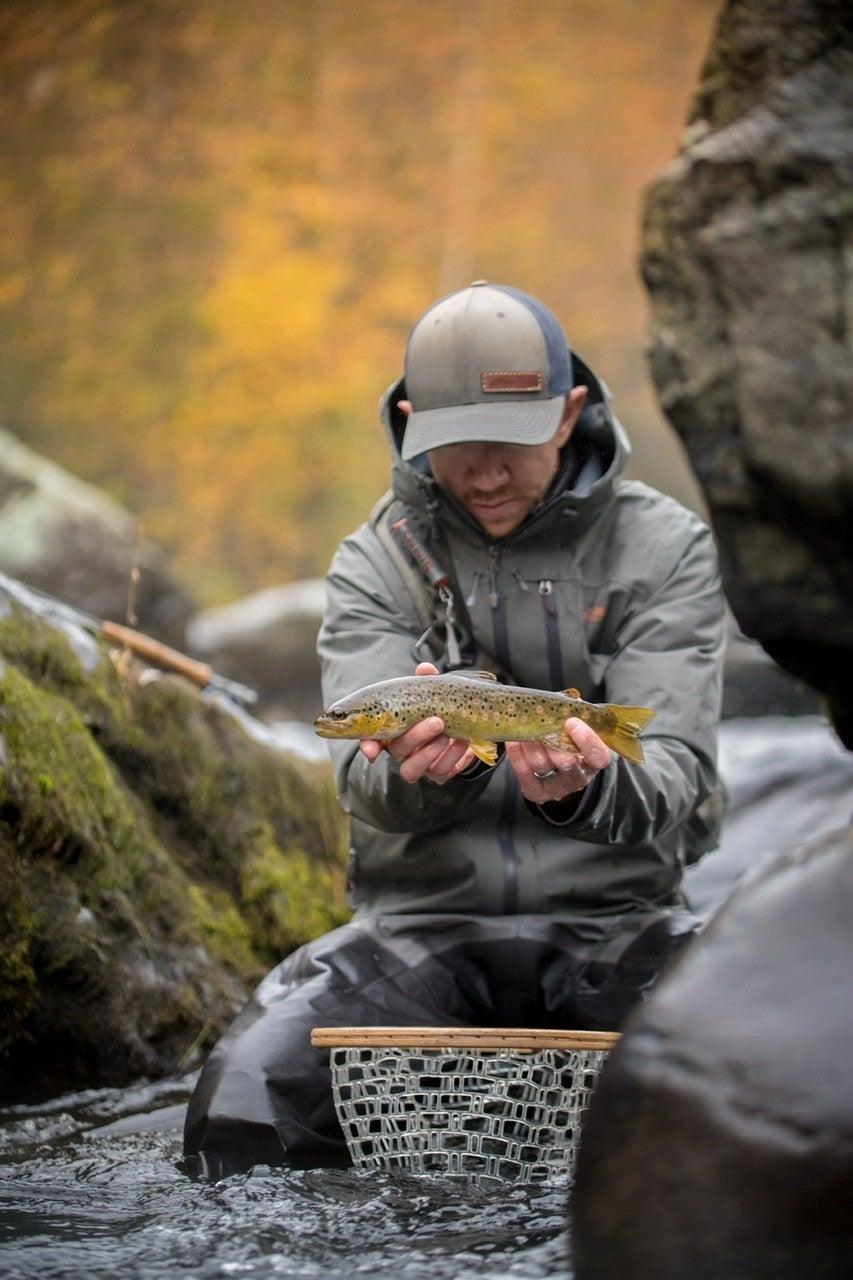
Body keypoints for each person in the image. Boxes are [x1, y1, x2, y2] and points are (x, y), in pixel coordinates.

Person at [183, 281, 726, 1177]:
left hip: (621, 929)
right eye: (454, 445)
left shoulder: (664, 550)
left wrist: (584, 791)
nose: (481, 474)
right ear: (408, 421)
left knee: (786, 1077)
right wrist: (428, 773)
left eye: (508, 444)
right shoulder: (376, 559)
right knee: (243, 1105)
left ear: (569, 415)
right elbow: (361, 780)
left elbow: (677, 776)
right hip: (419, 929)